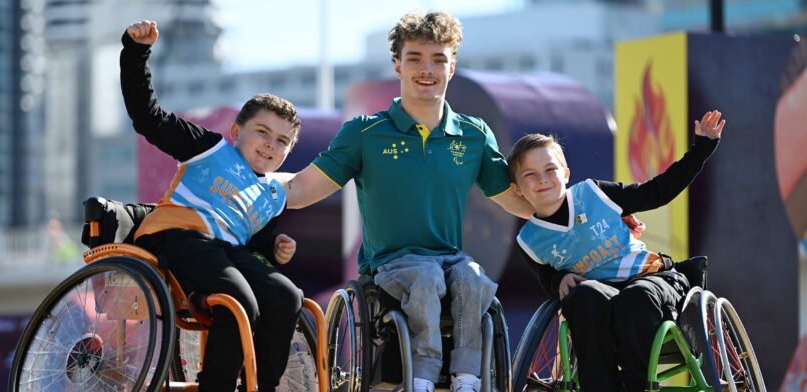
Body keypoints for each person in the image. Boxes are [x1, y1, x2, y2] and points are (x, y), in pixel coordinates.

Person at [279, 11, 535, 392]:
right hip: (388, 266)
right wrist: (247, 192)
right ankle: (422, 376)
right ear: (397, 65)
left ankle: (467, 378)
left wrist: (578, 215)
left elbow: (517, 202)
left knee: (473, 277)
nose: (426, 69)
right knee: (426, 276)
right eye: (414, 58)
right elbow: (302, 189)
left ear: (453, 66)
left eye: (438, 59)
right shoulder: (364, 133)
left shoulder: (474, 135)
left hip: (449, 263)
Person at [120, 20, 303, 392]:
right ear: (237, 132)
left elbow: (248, 239)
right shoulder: (209, 148)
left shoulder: (270, 194)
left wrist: (273, 246)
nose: (271, 145)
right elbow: (148, 117)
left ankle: (260, 386)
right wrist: (136, 52)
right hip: (177, 235)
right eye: (263, 133)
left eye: (282, 141)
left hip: (224, 251)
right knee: (239, 300)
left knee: (287, 295)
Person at [506, 111, 726, 391]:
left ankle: (636, 386)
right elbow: (548, 279)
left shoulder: (593, 193)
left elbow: (657, 192)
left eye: (550, 170)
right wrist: (558, 280)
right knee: (581, 296)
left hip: (653, 279)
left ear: (566, 173)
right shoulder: (530, 240)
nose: (542, 179)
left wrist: (702, 148)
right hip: (604, 295)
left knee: (636, 296)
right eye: (530, 175)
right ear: (517, 189)